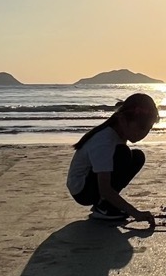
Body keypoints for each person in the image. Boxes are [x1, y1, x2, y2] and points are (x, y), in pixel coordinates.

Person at [67, 93, 159, 224]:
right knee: (124, 153)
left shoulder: (119, 135)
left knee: (138, 156)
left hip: (94, 183)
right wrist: (135, 213)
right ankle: (104, 207)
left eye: (148, 129)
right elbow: (104, 188)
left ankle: (105, 205)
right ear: (123, 120)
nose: (143, 133)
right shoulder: (105, 140)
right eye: (141, 127)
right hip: (82, 190)